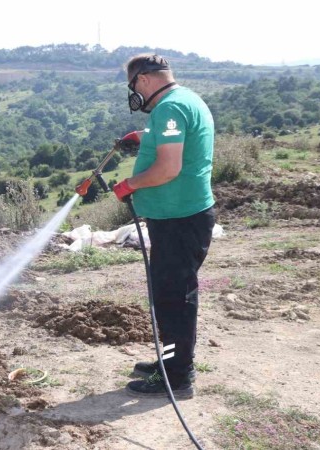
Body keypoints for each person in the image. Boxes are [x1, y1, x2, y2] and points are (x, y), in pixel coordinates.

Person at [112, 54, 216, 399]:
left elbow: (168, 169)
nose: (134, 94)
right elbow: (177, 145)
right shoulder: (184, 99)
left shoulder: (169, 108)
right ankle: (170, 363)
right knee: (171, 295)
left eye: (133, 86)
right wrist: (147, 137)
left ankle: (177, 376)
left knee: (173, 299)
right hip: (180, 217)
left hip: (178, 219)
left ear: (142, 81)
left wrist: (130, 184)